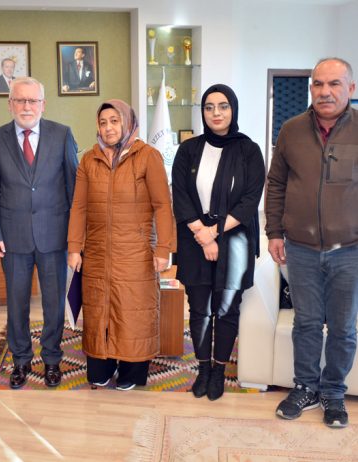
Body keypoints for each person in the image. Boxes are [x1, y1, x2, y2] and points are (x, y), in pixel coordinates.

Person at [266, 57, 358, 428]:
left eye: (334, 84)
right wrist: (274, 231)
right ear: (310, 89)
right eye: (318, 84)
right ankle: (305, 387)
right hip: (301, 248)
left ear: (350, 88)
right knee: (305, 323)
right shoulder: (290, 130)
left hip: (349, 250)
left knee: (343, 327)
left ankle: (333, 393)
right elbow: (276, 183)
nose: (325, 92)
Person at [67, 99, 173, 390]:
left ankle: (131, 371)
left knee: (132, 312)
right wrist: (74, 247)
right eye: (103, 122)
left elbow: (163, 205)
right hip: (97, 252)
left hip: (136, 252)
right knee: (98, 310)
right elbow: (79, 207)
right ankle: (103, 364)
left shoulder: (147, 156)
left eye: (115, 121)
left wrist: (164, 249)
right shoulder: (89, 159)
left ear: (127, 123)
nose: (109, 128)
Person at [0, 76, 78, 389]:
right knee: (17, 304)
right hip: (13, 238)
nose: (26, 106)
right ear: (10, 104)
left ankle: (51, 359)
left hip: (55, 236)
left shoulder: (62, 135)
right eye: (20, 100)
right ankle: (21, 360)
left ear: (43, 104)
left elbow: (74, 189)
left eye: (32, 100)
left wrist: (75, 237)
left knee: (54, 304)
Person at [172, 84, 265, 401]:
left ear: (233, 109)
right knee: (199, 308)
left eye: (223, 106)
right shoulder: (188, 149)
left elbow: (250, 200)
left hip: (234, 240)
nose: (216, 113)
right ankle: (202, 369)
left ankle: (219, 371)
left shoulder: (249, 150)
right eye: (209, 107)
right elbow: (180, 195)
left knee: (226, 310)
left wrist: (214, 233)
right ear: (203, 112)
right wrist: (202, 233)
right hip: (194, 238)